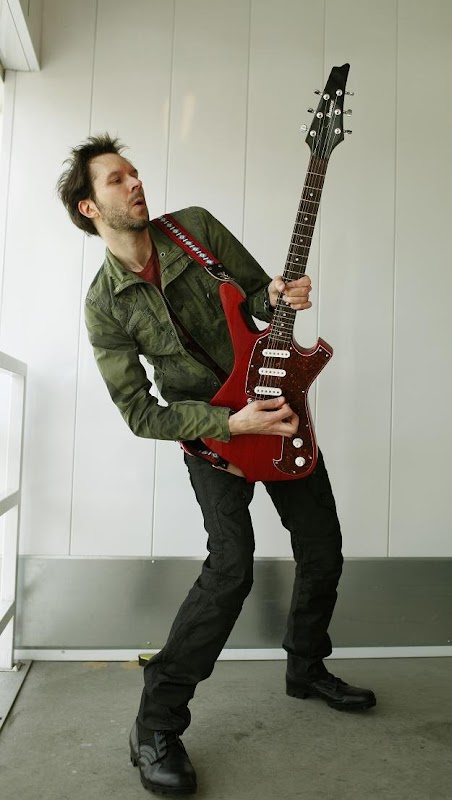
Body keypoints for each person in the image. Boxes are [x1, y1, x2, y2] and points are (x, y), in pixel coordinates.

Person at [57, 134, 376, 796]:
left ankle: (306, 667)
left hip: (276, 409)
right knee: (231, 569)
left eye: (135, 172)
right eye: (116, 179)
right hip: (212, 436)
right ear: (90, 207)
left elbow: (259, 296)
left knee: (323, 548)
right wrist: (228, 424)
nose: (135, 183)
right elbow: (139, 412)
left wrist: (282, 295)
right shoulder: (104, 304)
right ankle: (155, 725)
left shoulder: (195, 229)